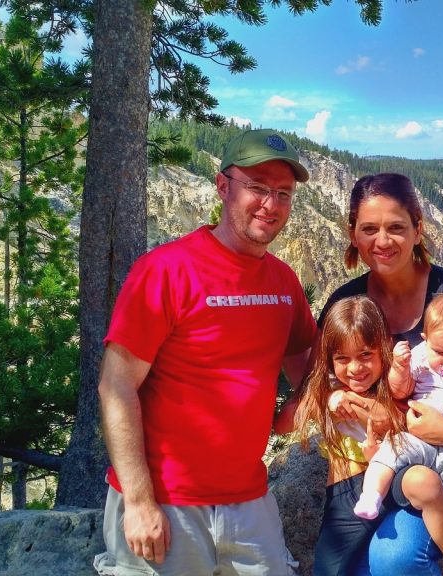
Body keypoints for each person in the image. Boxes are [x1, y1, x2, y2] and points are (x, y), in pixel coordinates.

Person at [93, 129, 316, 576]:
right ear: (222, 186)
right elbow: (115, 384)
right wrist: (138, 501)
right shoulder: (166, 271)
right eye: (256, 188)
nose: (270, 205)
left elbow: (309, 372)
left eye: (283, 194)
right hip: (166, 502)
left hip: (250, 498)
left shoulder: (282, 281)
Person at [315, 172, 443, 573]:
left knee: (395, 559)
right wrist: (338, 400)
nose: (382, 241)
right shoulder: (346, 303)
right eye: (369, 229)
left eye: (396, 227)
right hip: (371, 465)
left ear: (418, 229)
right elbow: (319, 379)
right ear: (352, 234)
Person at [280, 295, 443, 576]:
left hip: (391, 476)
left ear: (384, 349)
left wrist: (359, 407)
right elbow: (283, 424)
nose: (356, 368)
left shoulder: (396, 383)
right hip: (349, 488)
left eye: (366, 356)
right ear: (330, 360)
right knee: (328, 570)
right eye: (342, 359)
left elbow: (402, 420)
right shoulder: (328, 388)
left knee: (423, 481)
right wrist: (327, 400)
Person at [354, 294, 443, 572]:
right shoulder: (419, 358)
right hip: (417, 438)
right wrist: (399, 368)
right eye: (440, 352)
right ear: (425, 339)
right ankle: (371, 495)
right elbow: (400, 391)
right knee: (389, 452)